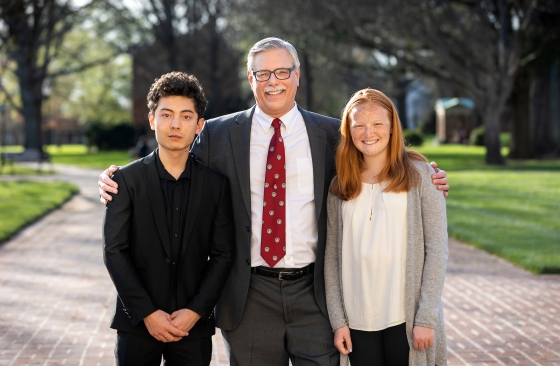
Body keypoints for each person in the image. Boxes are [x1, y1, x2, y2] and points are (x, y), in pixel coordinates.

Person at [98, 37, 449, 366]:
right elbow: (172, 164)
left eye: (282, 72)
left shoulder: (330, 135)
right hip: (250, 294)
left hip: (316, 295)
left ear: (296, 77)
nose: (273, 82)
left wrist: (426, 172)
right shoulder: (217, 135)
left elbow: (376, 152)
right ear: (250, 79)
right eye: (262, 73)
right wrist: (116, 178)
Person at [102, 72, 233, 366]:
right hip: (136, 323)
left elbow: (223, 255)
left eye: (186, 116)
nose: (175, 124)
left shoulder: (216, 186)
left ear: (199, 125)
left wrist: (196, 311)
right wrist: (147, 313)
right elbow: (114, 251)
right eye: (167, 114)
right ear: (152, 119)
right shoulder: (125, 180)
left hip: (193, 326)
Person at [324, 88, 448, 366]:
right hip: (356, 320)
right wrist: (338, 321)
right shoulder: (339, 187)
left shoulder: (423, 178)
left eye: (378, 124)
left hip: (405, 318)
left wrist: (426, 317)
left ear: (392, 128)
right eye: (359, 126)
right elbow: (331, 259)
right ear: (348, 130)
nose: (369, 133)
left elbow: (437, 250)